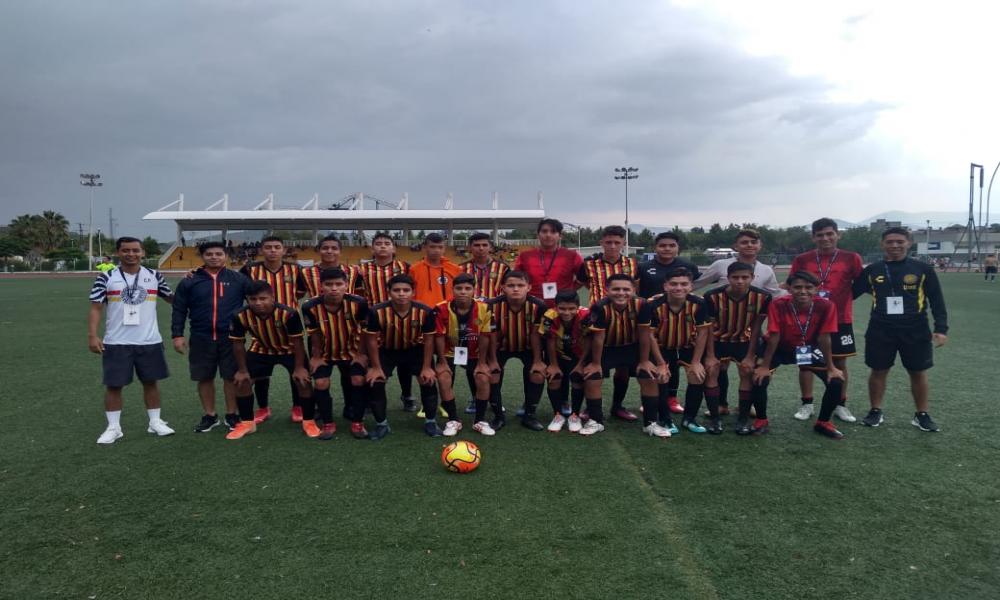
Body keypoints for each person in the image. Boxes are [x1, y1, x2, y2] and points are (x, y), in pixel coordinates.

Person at [853, 227, 948, 432]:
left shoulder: (923, 269)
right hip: (880, 328)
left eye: (899, 241)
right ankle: (875, 410)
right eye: (890, 242)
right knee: (878, 370)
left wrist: (941, 328)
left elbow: (937, 300)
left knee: (917, 372)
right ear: (882, 244)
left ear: (909, 243)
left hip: (916, 329)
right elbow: (850, 293)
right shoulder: (872, 270)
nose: (894, 245)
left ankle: (921, 414)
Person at [88, 236, 175, 444]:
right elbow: (96, 307)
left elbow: (172, 299)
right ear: (118, 252)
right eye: (126, 250)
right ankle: (113, 427)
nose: (131, 254)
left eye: (136, 250)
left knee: (151, 382)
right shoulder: (106, 277)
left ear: (143, 253)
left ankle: (155, 422)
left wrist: (192, 287)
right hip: (117, 341)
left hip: (149, 340)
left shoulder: (154, 275)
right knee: (114, 384)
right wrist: (92, 335)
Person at [754, 271, 847, 439]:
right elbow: (774, 335)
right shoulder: (778, 304)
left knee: (836, 381)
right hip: (779, 347)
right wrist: (765, 366)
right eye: (797, 287)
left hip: (808, 348)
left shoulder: (826, 306)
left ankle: (823, 422)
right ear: (789, 288)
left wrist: (831, 367)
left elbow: (824, 337)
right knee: (759, 377)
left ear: (817, 289)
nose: (803, 291)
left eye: (808, 287)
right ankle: (761, 420)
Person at [788, 218, 864, 423]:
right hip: (807, 318)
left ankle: (840, 404)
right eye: (820, 235)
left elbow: (860, 283)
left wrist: (844, 298)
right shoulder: (802, 259)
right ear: (813, 237)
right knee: (805, 362)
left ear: (838, 235)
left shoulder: (852, 257)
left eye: (830, 234)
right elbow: (793, 284)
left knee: (840, 361)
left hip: (840, 318)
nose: (825, 238)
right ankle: (807, 403)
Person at [170, 241, 250, 433]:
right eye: (209, 254)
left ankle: (232, 414)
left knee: (231, 377)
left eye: (218, 254)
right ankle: (210, 415)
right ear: (202, 256)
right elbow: (179, 309)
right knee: (204, 377)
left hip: (230, 337)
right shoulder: (190, 280)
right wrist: (177, 335)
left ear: (226, 256)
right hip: (201, 336)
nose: (214, 257)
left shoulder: (238, 279)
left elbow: (255, 300)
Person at [227, 281, 314, 440]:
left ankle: (308, 420)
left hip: (289, 350)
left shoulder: (289, 314)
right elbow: (238, 343)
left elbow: (298, 343)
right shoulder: (239, 315)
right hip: (261, 349)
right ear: (248, 299)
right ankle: (247, 423)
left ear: (272, 297)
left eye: (263, 298)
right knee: (241, 381)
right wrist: (242, 370)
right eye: (253, 299)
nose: (258, 303)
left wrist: (300, 367)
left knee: (303, 380)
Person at [239, 236, 309, 423]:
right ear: (261, 250)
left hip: (289, 325)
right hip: (261, 328)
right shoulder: (250, 269)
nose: (272, 250)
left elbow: (301, 292)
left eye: (277, 247)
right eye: (268, 247)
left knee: (297, 369)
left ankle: (298, 406)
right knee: (261, 372)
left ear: (284, 250)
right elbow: (239, 288)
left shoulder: (296, 269)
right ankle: (263, 408)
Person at [640, 267, 717, 434]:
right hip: (661, 348)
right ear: (665, 286)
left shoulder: (699, 302)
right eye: (674, 284)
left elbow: (703, 332)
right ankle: (665, 419)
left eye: (684, 284)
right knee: (662, 376)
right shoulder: (652, 303)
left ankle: (690, 419)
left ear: (690, 286)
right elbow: (650, 335)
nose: (679, 288)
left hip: (687, 346)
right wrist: (660, 363)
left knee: (697, 375)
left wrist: (696, 362)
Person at [363, 275, 440, 439]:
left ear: (413, 292)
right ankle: (381, 424)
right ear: (389, 292)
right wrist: (375, 367)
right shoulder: (376, 311)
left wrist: (426, 367)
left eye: (406, 290)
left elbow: (428, 341)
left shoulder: (425, 311)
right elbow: (370, 340)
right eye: (397, 290)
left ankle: (431, 422)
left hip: (415, 350)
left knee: (428, 379)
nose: (401, 294)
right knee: (376, 381)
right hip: (387, 350)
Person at [577, 225, 640, 421]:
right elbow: (583, 284)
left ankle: (617, 406)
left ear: (623, 244)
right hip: (598, 320)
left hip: (625, 320)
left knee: (622, 368)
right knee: (594, 366)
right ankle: (590, 407)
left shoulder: (632, 263)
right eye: (608, 242)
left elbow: (635, 288)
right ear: (601, 243)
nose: (612, 246)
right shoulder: (589, 265)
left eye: (617, 242)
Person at [638, 231, 702, 415]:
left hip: (679, 318)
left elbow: (691, 287)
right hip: (652, 317)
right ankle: (651, 397)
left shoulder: (688, 265)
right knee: (654, 360)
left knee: (674, 360)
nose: (667, 248)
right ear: (655, 247)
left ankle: (672, 399)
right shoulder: (644, 267)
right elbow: (637, 291)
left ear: (677, 248)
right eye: (662, 245)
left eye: (671, 245)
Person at [302, 268, 370, 440]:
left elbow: (364, 330)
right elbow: (314, 333)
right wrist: (316, 357)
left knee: (358, 379)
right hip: (325, 353)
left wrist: (361, 354)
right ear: (321, 286)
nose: (334, 288)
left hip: (351, 351)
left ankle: (357, 422)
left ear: (346, 285)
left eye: (339, 284)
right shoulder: (310, 306)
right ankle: (328, 423)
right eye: (329, 284)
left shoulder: (359, 302)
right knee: (321, 382)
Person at [580, 274, 650, 436]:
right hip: (606, 347)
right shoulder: (600, 306)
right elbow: (597, 337)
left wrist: (645, 360)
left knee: (648, 375)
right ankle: (595, 418)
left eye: (626, 289)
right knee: (593, 376)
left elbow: (645, 334)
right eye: (616, 289)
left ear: (634, 290)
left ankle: (649, 419)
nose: (621, 293)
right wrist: (596, 363)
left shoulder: (642, 304)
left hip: (631, 346)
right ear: (607, 290)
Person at [702, 262, 772, 420]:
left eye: (744, 277)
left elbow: (756, 328)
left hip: (744, 339)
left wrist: (750, 355)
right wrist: (711, 355)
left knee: (747, 371)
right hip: (718, 339)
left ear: (752, 278)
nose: (740, 281)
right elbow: (709, 328)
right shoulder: (712, 296)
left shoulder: (763, 297)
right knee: (714, 369)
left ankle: (744, 411)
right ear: (728, 278)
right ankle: (720, 407)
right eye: (735, 277)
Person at [355, 232, 416, 412]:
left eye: (387, 243)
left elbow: (412, 292)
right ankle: (370, 398)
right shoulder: (362, 270)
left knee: (404, 359)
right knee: (373, 358)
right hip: (374, 320)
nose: (383, 246)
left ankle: (407, 395)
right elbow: (359, 295)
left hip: (401, 318)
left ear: (393, 248)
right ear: (372, 248)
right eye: (379, 243)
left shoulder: (404, 266)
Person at [484, 271, 549, 431]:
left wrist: (538, 360)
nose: (515, 289)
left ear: (529, 287)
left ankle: (530, 415)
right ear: (503, 288)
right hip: (500, 347)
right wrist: (492, 360)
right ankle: (498, 416)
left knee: (537, 374)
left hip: (528, 347)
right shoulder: (491, 305)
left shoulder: (539, 306)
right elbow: (491, 334)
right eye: (511, 285)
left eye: (520, 285)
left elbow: (536, 335)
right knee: (492, 374)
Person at [432, 273, 495, 436]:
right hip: (449, 351)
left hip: (474, 353)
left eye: (468, 288)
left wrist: (482, 362)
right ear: (452, 290)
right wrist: (441, 361)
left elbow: (485, 335)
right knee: (443, 376)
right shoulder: (440, 308)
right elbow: (438, 336)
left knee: (482, 376)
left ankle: (479, 420)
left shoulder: (484, 308)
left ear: (474, 290)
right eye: (459, 288)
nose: (463, 292)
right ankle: (453, 420)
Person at [540, 290, 590, 432]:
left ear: (578, 307)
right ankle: (558, 415)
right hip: (557, 354)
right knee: (554, 378)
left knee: (577, 379)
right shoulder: (549, 316)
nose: (567, 312)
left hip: (578, 355)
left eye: (571, 309)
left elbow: (589, 341)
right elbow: (550, 340)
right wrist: (553, 365)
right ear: (556, 307)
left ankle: (575, 415)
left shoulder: (585, 316)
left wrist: (581, 364)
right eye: (562, 308)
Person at [514, 218, 584, 306]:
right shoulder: (524, 256)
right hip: (532, 306)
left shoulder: (572, 255)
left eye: (553, 232)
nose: (548, 235)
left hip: (563, 308)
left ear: (560, 235)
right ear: (538, 235)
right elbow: (516, 280)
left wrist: (570, 290)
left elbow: (583, 278)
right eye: (544, 231)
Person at [693, 229, 783, 296]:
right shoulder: (720, 265)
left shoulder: (766, 270)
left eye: (754, 242)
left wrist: (792, 288)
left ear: (760, 246)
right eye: (744, 242)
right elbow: (696, 284)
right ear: (736, 246)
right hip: (720, 316)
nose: (749, 245)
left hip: (749, 317)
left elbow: (776, 294)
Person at [411, 232, 462, 308]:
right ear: (424, 247)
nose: (437, 250)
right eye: (432, 247)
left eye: (440, 247)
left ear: (444, 249)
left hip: (446, 313)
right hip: (421, 313)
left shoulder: (455, 269)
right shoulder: (414, 269)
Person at [460, 232, 510, 300]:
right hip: (471, 308)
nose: (481, 248)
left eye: (485, 245)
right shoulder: (461, 268)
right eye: (476, 245)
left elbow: (509, 289)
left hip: (495, 308)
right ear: (469, 248)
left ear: (490, 247)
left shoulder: (503, 268)